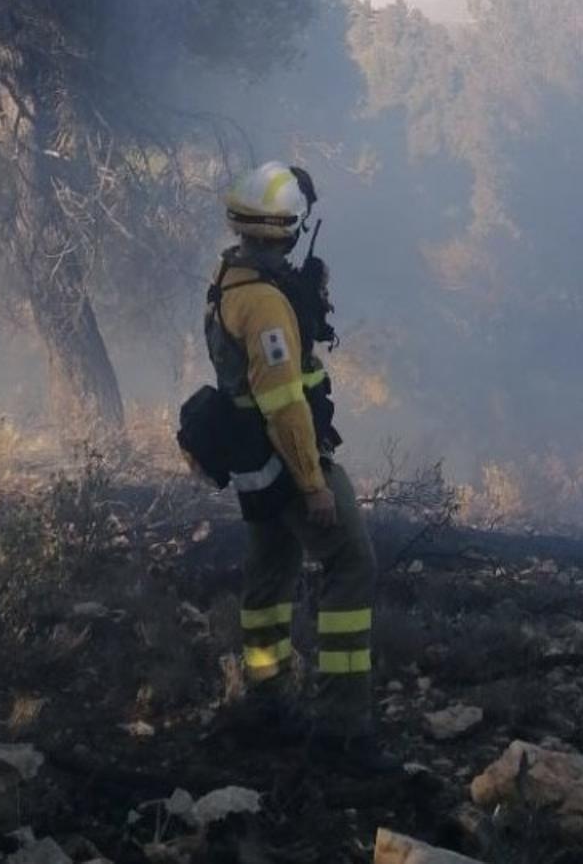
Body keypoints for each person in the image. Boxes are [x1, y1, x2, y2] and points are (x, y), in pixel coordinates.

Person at [204, 160, 397, 774]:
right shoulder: (263, 306)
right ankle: (344, 724)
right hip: (286, 457)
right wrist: (314, 484)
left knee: (270, 572)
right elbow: (285, 402)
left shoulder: (231, 279)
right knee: (350, 562)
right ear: (286, 228)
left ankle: (265, 702)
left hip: (251, 459)